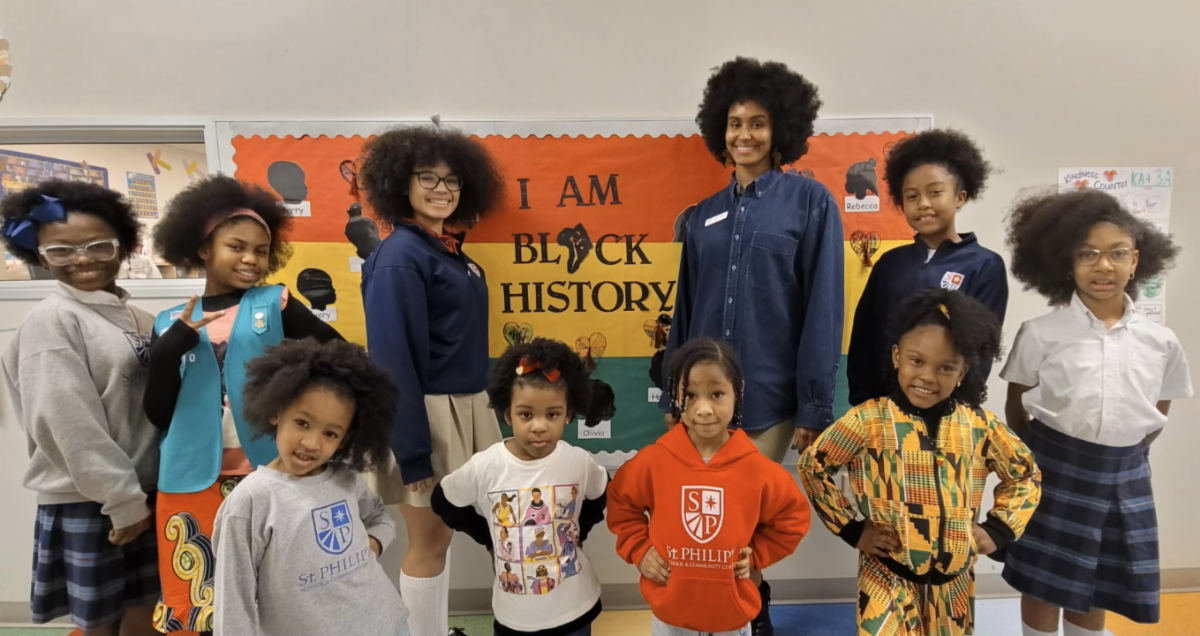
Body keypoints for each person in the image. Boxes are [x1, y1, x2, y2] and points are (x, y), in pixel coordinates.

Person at [659, 57, 842, 635]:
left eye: (758, 123)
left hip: (768, 400)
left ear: (779, 128)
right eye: (735, 122)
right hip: (700, 402)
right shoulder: (703, 216)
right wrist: (674, 396)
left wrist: (813, 406)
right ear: (721, 129)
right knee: (708, 524)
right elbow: (685, 309)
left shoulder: (811, 203)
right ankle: (717, 617)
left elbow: (823, 310)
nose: (745, 134)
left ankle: (750, 618)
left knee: (742, 523)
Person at [144, 175, 342, 634]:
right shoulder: (168, 321)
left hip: (270, 472)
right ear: (203, 249)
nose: (251, 259)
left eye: (261, 250)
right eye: (236, 247)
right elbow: (157, 415)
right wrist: (169, 349)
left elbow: (341, 358)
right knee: (197, 598)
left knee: (279, 593)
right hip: (189, 478)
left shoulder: (275, 303)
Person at [1000, 190, 1192, 636]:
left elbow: (1159, 407)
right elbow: (1016, 404)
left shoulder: (1161, 341)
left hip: (1125, 474)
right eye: (1087, 254)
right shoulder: (1040, 334)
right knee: (1042, 583)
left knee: (1098, 585)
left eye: (1117, 253)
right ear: (1067, 262)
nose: (1103, 265)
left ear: (1135, 261)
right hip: (1054, 470)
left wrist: (1124, 451)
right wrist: (1043, 455)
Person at [799, 289, 1041, 636]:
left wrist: (999, 528)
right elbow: (814, 466)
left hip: (954, 586)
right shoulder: (868, 420)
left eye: (946, 367)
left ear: (963, 371)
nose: (928, 376)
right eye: (916, 361)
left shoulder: (979, 426)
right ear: (897, 356)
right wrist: (852, 529)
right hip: (885, 577)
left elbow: (1025, 474)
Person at [359, 125, 506, 636]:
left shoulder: (446, 252)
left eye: (452, 180)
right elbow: (392, 360)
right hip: (429, 414)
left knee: (443, 539)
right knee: (429, 543)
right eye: (428, 177)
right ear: (401, 183)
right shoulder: (401, 256)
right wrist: (413, 452)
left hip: (466, 407)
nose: (442, 189)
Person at [2, 181, 160, 636]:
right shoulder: (52, 322)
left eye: (97, 245)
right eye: (61, 250)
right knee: (101, 626)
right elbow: (67, 422)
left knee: (149, 615)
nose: (82, 259)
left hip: (143, 489)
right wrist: (123, 501)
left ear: (123, 245)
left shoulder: (139, 318)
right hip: (93, 499)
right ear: (39, 256)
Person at [612, 339, 810, 636]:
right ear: (676, 397)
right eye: (691, 395)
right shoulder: (653, 461)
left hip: (731, 617)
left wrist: (756, 555)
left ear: (737, 392)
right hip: (670, 617)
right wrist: (640, 551)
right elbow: (621, 503)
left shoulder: (757, 469)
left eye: (717, 394)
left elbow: (792, 519)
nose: (704, 409)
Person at [211, 338, 407, 636]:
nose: (312, 443)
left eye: (331, 433)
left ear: (344, 439)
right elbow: (233, 603)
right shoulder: (250, 501)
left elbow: (380, 518)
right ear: (277, 411)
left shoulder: (345, 478)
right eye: (302, 423)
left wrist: (373, 544)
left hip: (388, 624)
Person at [431, 338, 608, 636]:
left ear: (567, 414)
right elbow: (443, 501)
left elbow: (601, 494)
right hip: (515, 617)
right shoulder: (486, 466)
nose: (539, 426)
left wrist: (580, 532)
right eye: (526, 414)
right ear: (507, 414)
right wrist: (488, 538)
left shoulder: (579, 462)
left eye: (552, 414)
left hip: (575, 610)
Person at [847, 129, 1007, 406]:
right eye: (911, 196)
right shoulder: (889, 263)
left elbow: (981, 350)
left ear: (960, 197)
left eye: (935, 192)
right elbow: (864, 336)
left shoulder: (984, 265)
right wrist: (863, 400)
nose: (923, 204)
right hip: (882, 408)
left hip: (946, 409)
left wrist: (958, 407)